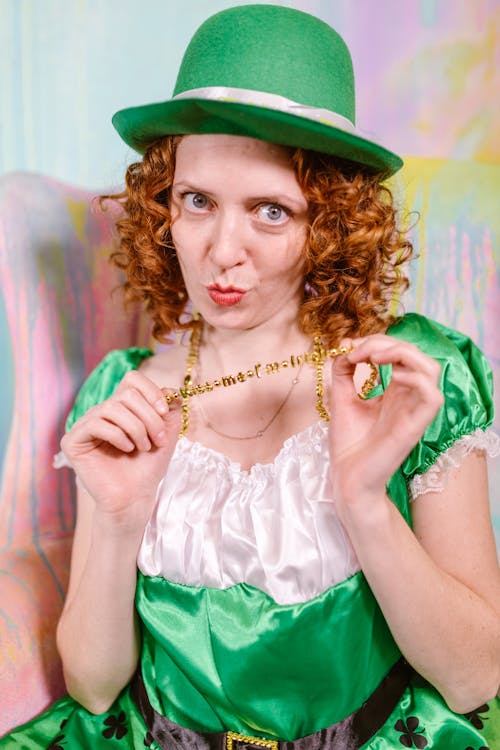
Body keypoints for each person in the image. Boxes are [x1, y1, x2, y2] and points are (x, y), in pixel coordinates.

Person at [2, 4, 499, 749]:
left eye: (270, 211)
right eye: (197, 201)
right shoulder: (125, 395)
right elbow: (95, 686)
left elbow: (473, 680)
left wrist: (365, 503)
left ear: (327, 225)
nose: (221, 252)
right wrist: (117, 521)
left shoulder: (409, 380)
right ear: (162, 207)